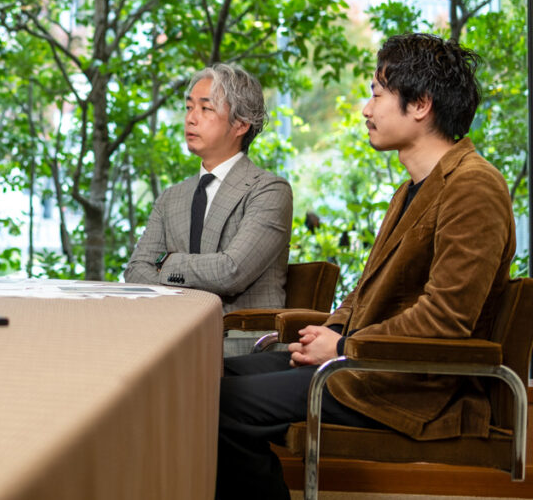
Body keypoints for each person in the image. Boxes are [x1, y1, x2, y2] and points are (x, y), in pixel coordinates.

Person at [216, 33, 516, 499]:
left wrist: (345, 348)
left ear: (420, 104)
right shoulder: (413, 188)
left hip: (410, 388)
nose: (365, 109)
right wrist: (329, 332)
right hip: (365, 367)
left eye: (376, 94)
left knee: (218, 405)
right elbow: (367, 292)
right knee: (212, 378)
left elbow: (446, 319)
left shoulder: (474, 187)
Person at [124, 63, 292, 313]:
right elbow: (136, 270)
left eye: (206, 108)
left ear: (241, 124)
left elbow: (231, 271)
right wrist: (183, 302)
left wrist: (165, 263)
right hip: (173, 333)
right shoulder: (172, 197)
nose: (191, 118)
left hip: (239, 342)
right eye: (189, 107)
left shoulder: (269, 191)